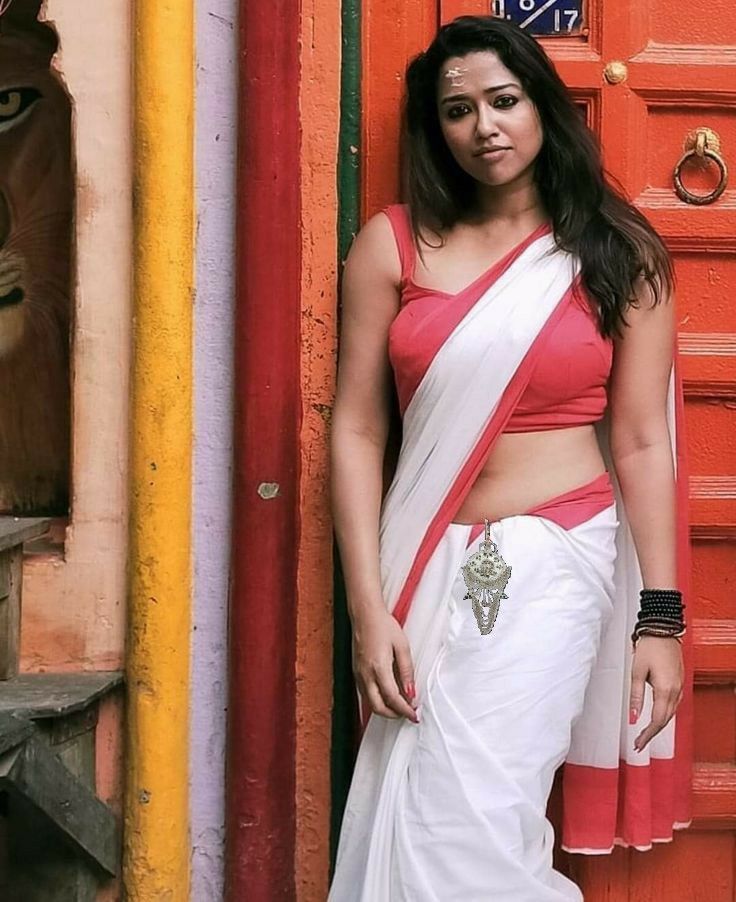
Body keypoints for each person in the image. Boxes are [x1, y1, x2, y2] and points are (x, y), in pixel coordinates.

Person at [328, 14, 693, 901]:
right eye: (458, 111)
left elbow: (644, 443)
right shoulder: (395, 242)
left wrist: (662, 618)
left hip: (556, 563)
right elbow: (357, 430)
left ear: (542, 108)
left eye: (504, 100)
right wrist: (367, 611)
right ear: (435, 129)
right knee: (413, 810)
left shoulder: (618, 253)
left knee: (480, 815)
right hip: (422, 560)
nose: (484, 126)